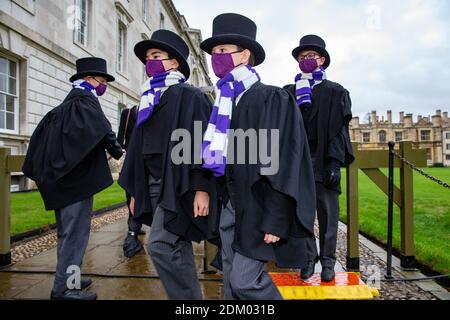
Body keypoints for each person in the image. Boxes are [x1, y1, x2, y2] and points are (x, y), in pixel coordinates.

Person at [200, 13, 316, 300]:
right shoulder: (224, 102)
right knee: (230, 281)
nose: (217, 58)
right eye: (214, 53)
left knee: (244, 282)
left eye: (223, 51)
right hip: (230, 205)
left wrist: (276, 218)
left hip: (259, 206)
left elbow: (282, 161)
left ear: (245, 55)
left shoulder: (270, 98)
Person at [118, 29, 217, 300]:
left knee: (160, 245)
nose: (150, 61)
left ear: (174, 63)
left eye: (156, 55)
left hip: (178, 183)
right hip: (151, 183)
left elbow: (203, 145)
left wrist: (201, 187)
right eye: (148, 57)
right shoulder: (148, 99)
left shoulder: (190, 96)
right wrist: (136, 191)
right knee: (176, 243)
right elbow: (137, 150)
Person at [22, 57, 123, 300]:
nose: (104, 85)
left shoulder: (66, 105)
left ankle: (72, 278)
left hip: (62, 181)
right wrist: (118, 151)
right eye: (102, 80)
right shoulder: (85, 100)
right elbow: (104, 130)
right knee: (75, 235)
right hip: (74, 184)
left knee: (69, 233)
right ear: (89, 79)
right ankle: (64, 290)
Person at [284, 35, 354, 282]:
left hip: (325, 160)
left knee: (327, 215)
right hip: (299, 163)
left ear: (322, 60)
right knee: (301, 214)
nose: (305, 60)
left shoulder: (336, 92)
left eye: (310, 56)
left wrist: (335, 164)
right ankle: (307, 258)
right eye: (301, 57)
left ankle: (328, 261)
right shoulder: (289, 92)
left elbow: (338, 132)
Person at [117, 105, 146, 258]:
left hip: (141, 157)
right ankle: (133, 228)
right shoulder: (127, 113)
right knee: (132, 194)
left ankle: (134, 227)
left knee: (135, 194)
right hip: (132, 157)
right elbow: (120, 136)